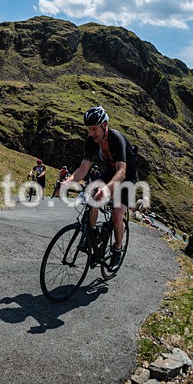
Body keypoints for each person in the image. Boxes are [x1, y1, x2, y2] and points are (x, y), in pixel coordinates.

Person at [63, 105, 138, 271]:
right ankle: (90, 235)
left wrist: (106, 190)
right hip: (110, 172)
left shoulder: (116, 139)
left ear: (104, 125)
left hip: (126, 177)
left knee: (117, 215)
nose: (91, 133)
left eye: (94, 129)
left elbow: (122, 172)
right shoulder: (91, 141)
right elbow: (83, 169)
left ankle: (117, 249)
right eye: (89, 129)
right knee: (91, 193)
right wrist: (67, 182)